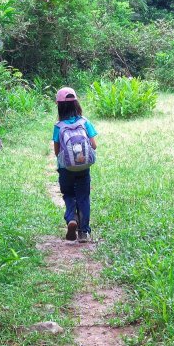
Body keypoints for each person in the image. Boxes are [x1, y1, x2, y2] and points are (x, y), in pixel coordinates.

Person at [53, 87, 98, 243]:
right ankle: (83, 232)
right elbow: (94, 145)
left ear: (59, 106)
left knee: (69, 194)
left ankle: (72, 218)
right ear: (76, 103)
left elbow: (56, 151)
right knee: (83, 197)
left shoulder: (58, 126)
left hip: (65, 169)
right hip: (83, 168)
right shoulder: (85, 122)